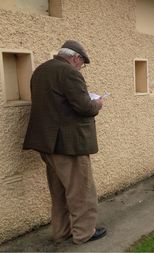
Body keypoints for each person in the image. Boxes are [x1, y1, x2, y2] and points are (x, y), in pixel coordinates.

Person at [23, 40, 106, 244]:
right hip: (68, 145)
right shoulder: (69, 72)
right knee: (81, 191)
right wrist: (97, 103)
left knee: (59, 192)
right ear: (76, 58)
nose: (81, 67)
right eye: (82, 63)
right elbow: (84, 107)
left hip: (47, 144)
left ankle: (61, 232)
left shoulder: (40, 71)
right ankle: (84, 233)